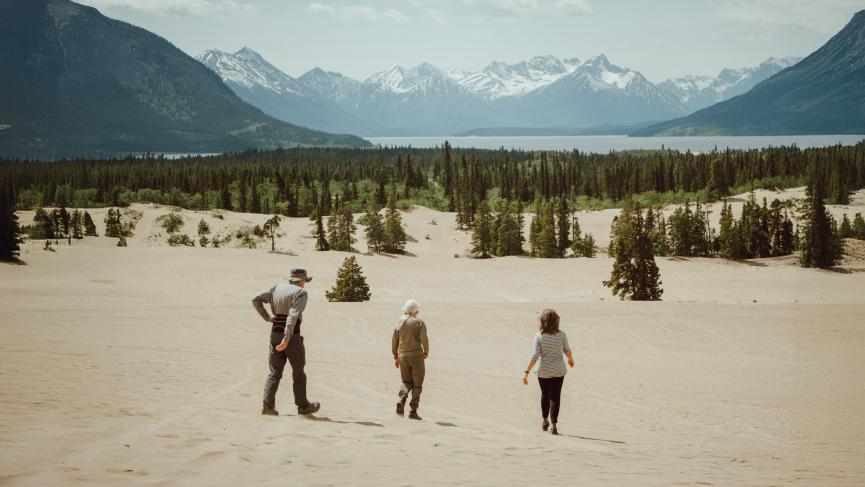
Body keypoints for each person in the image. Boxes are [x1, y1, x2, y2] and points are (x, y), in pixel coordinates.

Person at [252, 268, 320, 416]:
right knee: (298, 372)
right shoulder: (301, 293)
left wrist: (268, 317)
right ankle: (303, 406)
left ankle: (268, 406)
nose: (305, 284)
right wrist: (287, 337)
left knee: (274, 372)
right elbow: (293, 316)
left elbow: (256, 299)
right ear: (301, 281)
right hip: (291, 337)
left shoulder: (276, 288)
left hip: (274, 334)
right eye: (305, 281)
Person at [521, 309, 574, 435]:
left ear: (542, 321)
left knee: (545, 395)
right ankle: (554, 425)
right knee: (555, 397)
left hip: (543, 370)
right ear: (556, 321)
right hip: (558, 370)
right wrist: (571, 359)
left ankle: (545, 420)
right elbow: (567, 350)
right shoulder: (561, 334)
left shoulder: (539, 335)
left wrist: (526, 372)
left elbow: (535, 355)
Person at [391, 299, 429, 420]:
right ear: (415, 311)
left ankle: (402, 398)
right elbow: (424, 339)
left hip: (403, 357)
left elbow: (394, 340)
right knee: (417, 384)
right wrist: (426, 351)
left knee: (406, 381)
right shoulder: (420, 323)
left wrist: (395, 355)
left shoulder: (399, 322)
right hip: (416, 356)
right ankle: (413, 411)